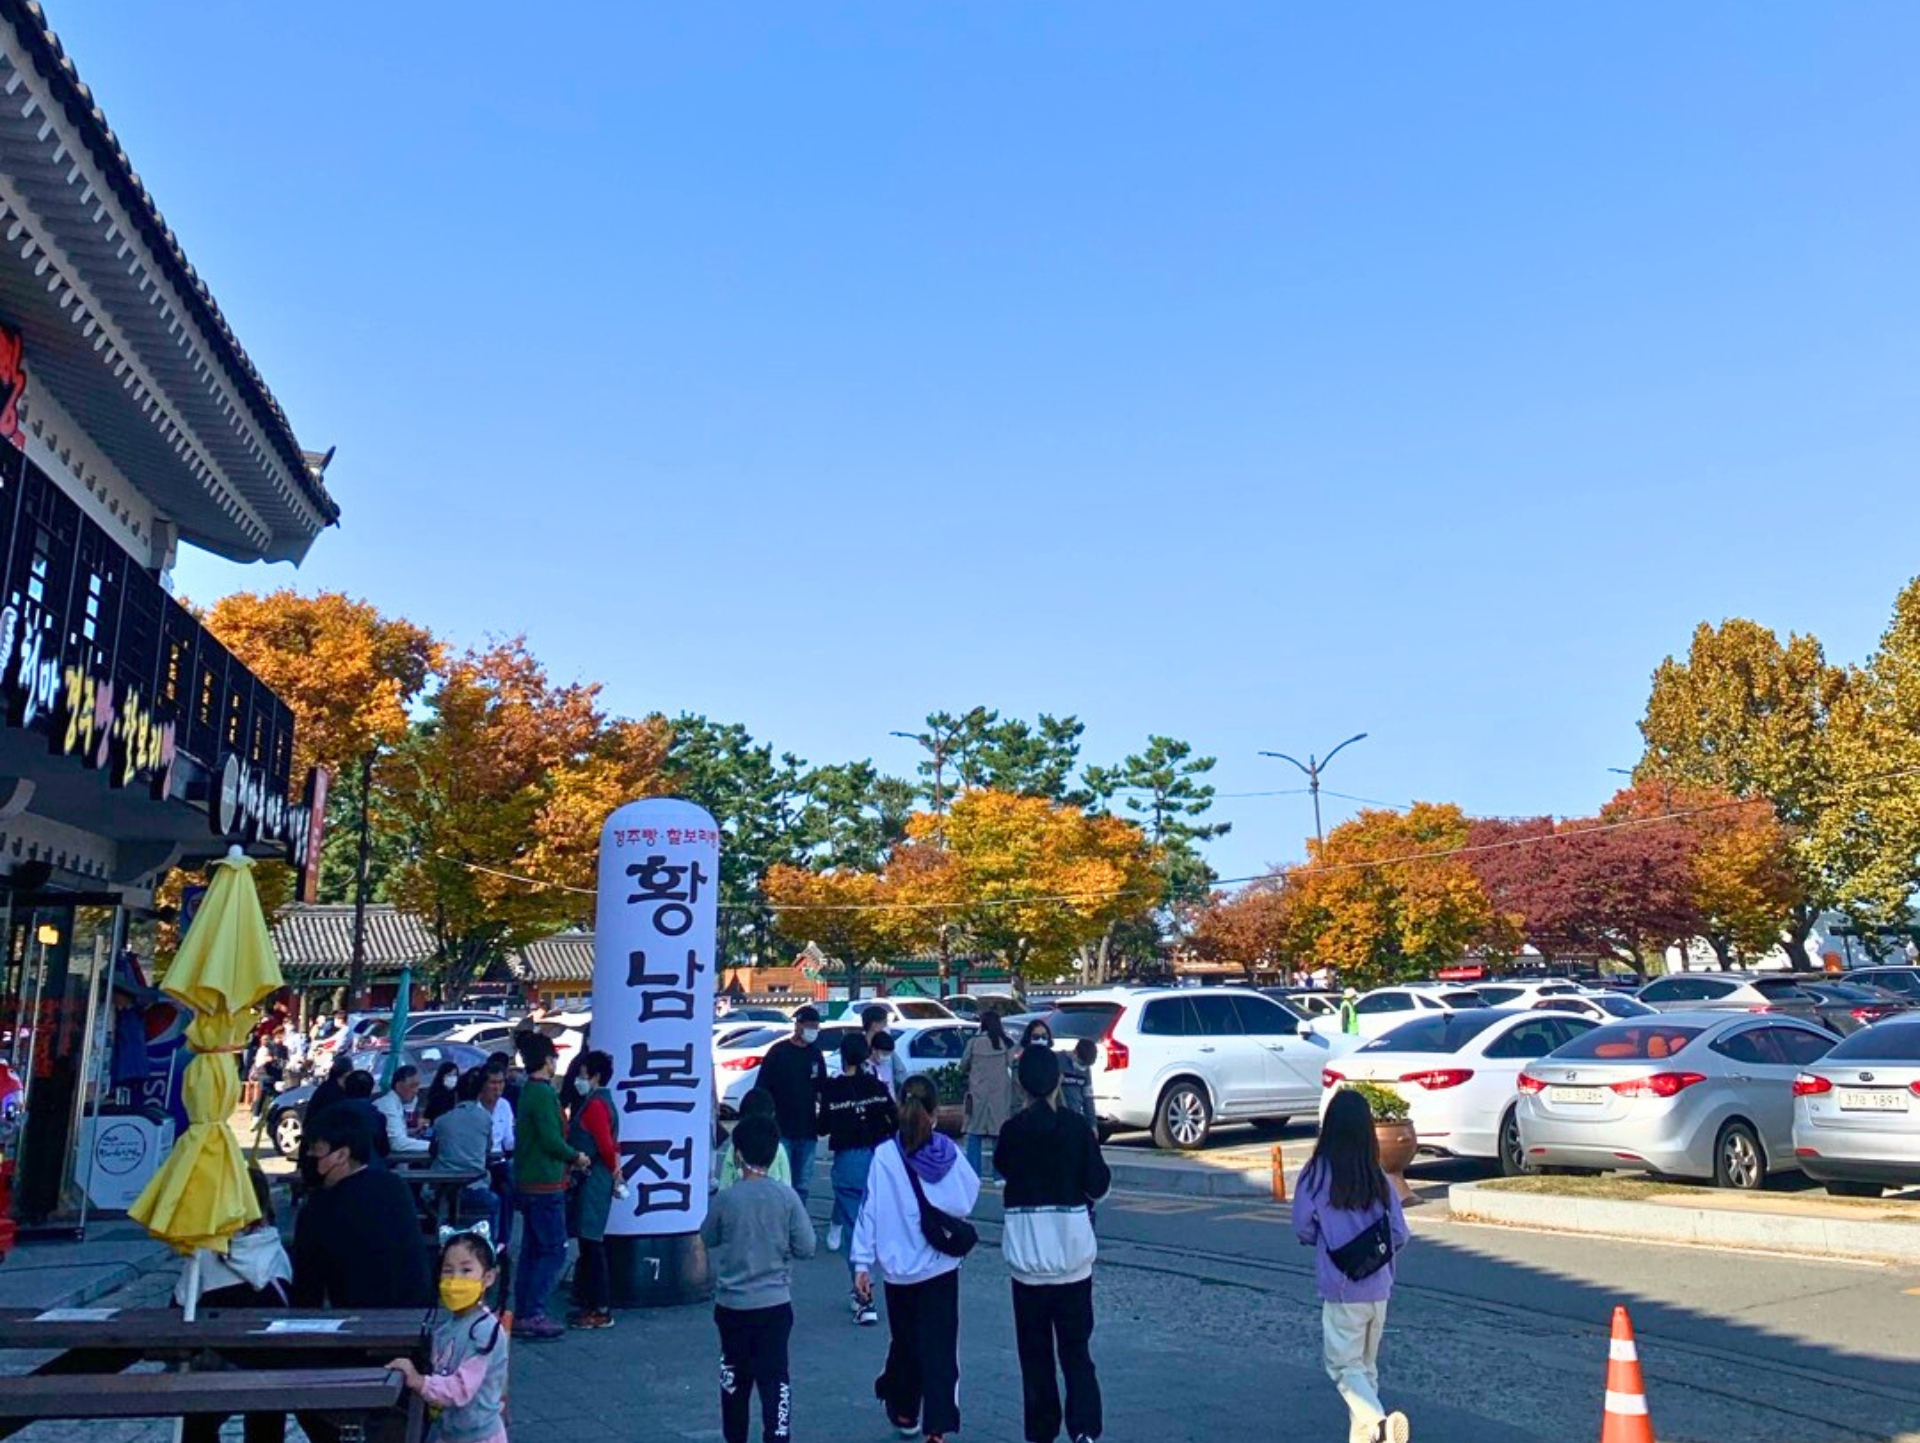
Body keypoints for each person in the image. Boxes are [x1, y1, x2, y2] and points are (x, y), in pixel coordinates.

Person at [852, 1073, 981, 1443]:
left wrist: (862, 1264)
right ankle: (937, 1428)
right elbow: (965, 1201)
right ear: (935, 1111)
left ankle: (905, 1409)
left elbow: (868, 1212)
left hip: (897, 1272)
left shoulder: (884, 1155)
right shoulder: (946, 1151)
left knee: (905, 1343)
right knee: (941, 1348)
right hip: (939, 1266)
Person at [995, 1046, 1112, 1443]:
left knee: (1035, 1355)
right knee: (1076, 1350)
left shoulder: (1012, 1133)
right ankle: (1084, 1429)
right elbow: (1099, 1184)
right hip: (1072, 1257)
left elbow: (1001, 1169)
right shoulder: (1077, 1129)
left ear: (1021, 1085)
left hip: (1027, 1260)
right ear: (1058, 1081)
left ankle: (1041, 1431)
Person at [1292, 1087, 1412, 1443]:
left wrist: (1327, 1239)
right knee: (1365, 1372)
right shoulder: (1377, 1176)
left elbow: (1301, 1225)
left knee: (1344, 1369)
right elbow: (1400, 1233)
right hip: (1379, 1289)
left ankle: (1378, 1425)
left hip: (1342, 1288)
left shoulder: (1317, 1173)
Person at [701, 1114, 816, 1443]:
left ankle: (735, 1436)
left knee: (734, 1378)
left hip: (732, 1304)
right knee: (775, 1379)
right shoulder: (786, 1197)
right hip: (774, 1304)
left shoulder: (727, 1199)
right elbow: (807, 1246)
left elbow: (706, 1237)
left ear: (737, 1154)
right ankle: (777, 1435)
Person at [180, 1169, 292, 1443]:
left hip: (215, 1365)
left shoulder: (203, 1255)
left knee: (196, 1420)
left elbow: (180, 1306)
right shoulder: (278, 1252)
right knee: (268, 1406)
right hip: (271, 1366)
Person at [292, 1107, 434, 1310]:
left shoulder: (319, 1208)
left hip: (357, 1324)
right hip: (415, 1316)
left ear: (341, 1155)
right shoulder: (395, 1186)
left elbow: (306, 1291)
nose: (308, 1155)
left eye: (315, 1149)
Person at [387, 1226, 510, 1443]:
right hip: (451, 1432)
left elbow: (460, 1389)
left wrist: (418, 1381)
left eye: (466, 1270)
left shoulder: (483, 1331)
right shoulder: (450, 1325)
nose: (455, 1279)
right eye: (448, 1270)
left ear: (488, 1277)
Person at [512, 1030, 590, 1340]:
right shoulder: (543, 1094)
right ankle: (533, 1311)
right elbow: (551, 1140)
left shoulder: (527, 1091)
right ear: (547, 1060)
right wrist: (576, 1157)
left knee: (533, 1250)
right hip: (546, 1182)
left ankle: (524, 1309)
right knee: (553, 1250)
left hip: (530, 1181)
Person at [818, 1032, 895, 1325]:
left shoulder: (833, 1089)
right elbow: (893, 1117)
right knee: (877, 1224)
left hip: (848, 1160)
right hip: (878, 1160)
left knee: (853, 1228)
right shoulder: (875, 1085)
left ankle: (863, 1293)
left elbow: (822, 1127)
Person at [565, 1049, 622, 1330]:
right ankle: (592, 1303)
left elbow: (605, 1145)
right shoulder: (600, 1102)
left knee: (592, 1242)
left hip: (593, 1178)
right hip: (598, 1176)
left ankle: (599, 1307)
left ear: (596, 1076)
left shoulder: (596, 1106)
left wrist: (613, 1171)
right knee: (590, 1243)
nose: (579, 1079)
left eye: (583, 1074)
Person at [752, 1006, 827, 1204]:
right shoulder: (778, 1052)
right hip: (781, 1129)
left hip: (808, 1129)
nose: (813, 1030)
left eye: (816, 1027)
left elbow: (822, 1090)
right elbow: (761, 1090)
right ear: (798, 1025)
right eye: (810, 1026)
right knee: (780, 1182)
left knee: (802, 1185)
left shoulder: (816, 1055)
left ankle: (798, 1225)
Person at [433, 1069, 502, 1237]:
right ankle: (492, 1248)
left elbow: (434, 1149)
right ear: (479, 1094)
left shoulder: (441, 1121)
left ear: (456, 1094)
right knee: (495, 1200)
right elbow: (488, 1149)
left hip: (443, 1191)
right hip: (475, 1187)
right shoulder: (485, 1118)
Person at [958, 1009, 1014, 1177]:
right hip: (1000, 1095)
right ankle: (999, 1175)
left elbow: (963, 1065)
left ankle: (974, 1173)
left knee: (974, 1134)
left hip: (978, 1095)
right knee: (999, 1134)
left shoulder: (974, 1042)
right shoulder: (1005, 1043)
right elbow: (1011, 1064)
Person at [716, 1090, 793, 1189]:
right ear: (772, 1115)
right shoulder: (778, 1148)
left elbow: (725, 1185)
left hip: (740, 1200)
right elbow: (786, 1184)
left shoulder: (735, 1147)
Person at [480, 1062, 516, 1248]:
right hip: (478, 1159)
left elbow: (509, 1141)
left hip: (498, 1159)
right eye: (493, 1083)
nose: (497, 1087)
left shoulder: (504, 1106)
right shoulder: (475, 1106)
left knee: (508, 1179)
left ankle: (503, 1239)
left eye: (501, 1082)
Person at [374, 1064, 430, 1158]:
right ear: (399, 1085)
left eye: (417, 1086)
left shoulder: (396, 1103)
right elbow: (397, 1143)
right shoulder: (388, 1105)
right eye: (412, 1086)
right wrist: (432, 1146)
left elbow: (394, 1133)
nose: (416, 1091)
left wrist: (411, 1131)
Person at [339, 1070, 390, 1161]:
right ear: (370, 1090)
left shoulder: (331, 1113)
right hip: (371, 1167)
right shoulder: (378, 1117)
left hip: (337, 1167)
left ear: (345, 1088)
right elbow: (384, 1150)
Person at [860, 1005, 908, 1100]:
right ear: (875, 1025)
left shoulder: (887, 1046)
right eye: (885, 1023)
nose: (887, 1027)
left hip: (889, 1102)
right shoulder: (858, 1048)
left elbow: (901, 1073)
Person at [1059, 1038, 1096, 1126]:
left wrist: (1092, 1125)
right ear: (1075, 1052)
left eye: (1087, 1065)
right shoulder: (1058, 1060)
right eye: (1081, 1063)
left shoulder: (1086, 1070)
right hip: (1059, 1117)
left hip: (1075, 1118)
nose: (1083, 1068)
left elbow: (1088, 1098)